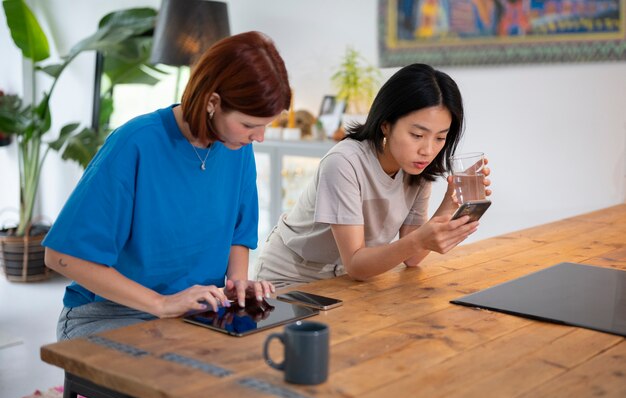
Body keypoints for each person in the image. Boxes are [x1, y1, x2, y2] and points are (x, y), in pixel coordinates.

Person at [43, 31, 291, 340]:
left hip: (192, 314)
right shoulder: (135, 144)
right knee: (193, 372)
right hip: (111, 312)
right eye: (250, 125)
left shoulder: (236, 148)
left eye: (265, 126)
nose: (259, 137)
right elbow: (61, 256)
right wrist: (161, 303)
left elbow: (239, 233)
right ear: (213, 102)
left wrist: (236, 285)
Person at [255, 63, 491, 288]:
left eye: (440, 138)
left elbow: (413, 258)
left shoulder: (417, 171)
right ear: (386, 124)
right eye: (417, 135)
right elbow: (356, 264)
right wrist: (419, 239)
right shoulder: (344, 163)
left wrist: (450, 204)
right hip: (291, 277)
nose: (428, 150)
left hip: (346, 280)